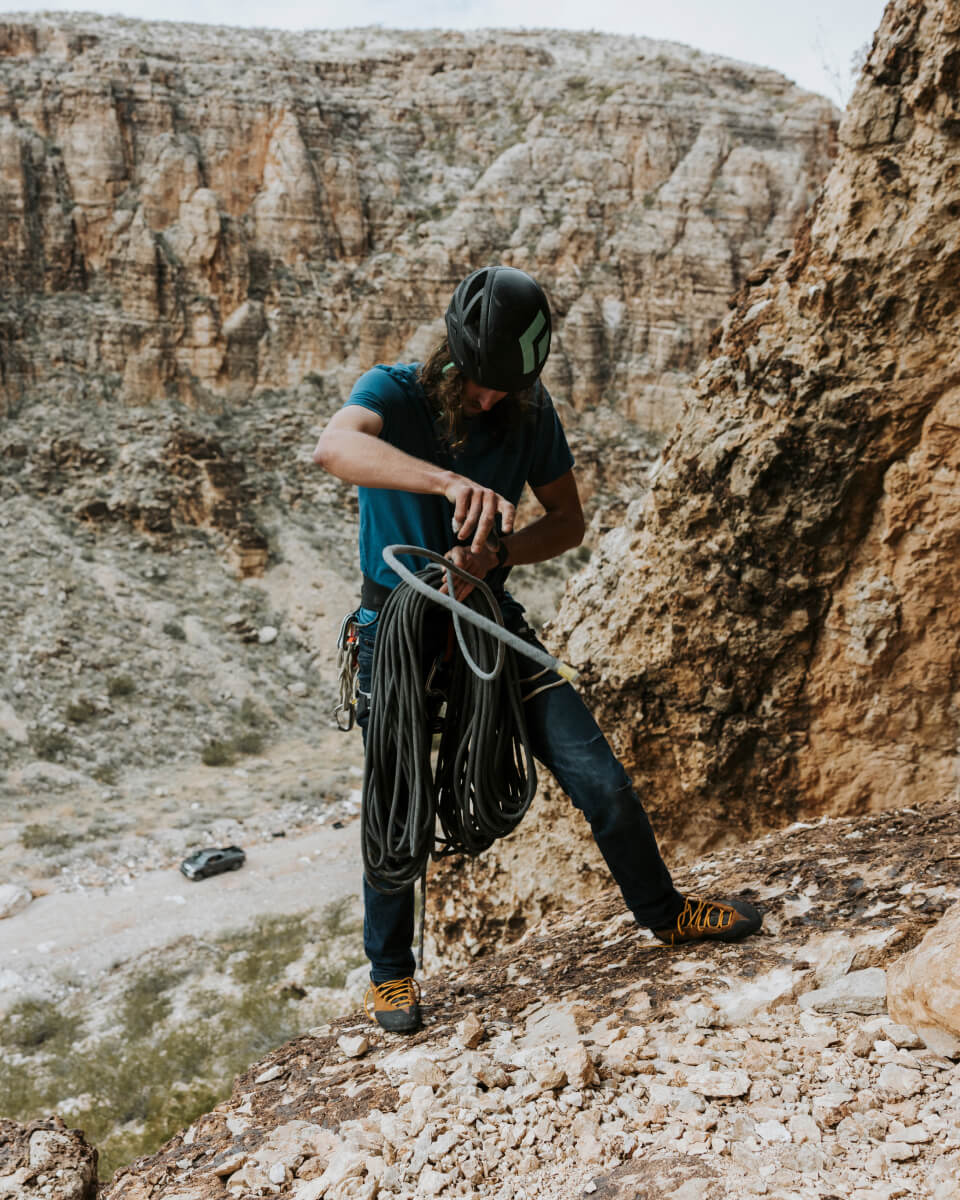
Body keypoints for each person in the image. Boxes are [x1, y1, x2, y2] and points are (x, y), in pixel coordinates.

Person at [313, 265, 761, 1034]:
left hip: (488, 613)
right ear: (451, 357)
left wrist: (498, 556)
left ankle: (665, 913)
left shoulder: (528, 412)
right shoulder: (393, 391)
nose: (489, 400)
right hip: (398, 622)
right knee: (397, 802)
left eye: (503, 389)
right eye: (479, 384)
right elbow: (334, 447)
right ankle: (391, 975)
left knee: (602, 780)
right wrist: (447, 482)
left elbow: (569, 523)